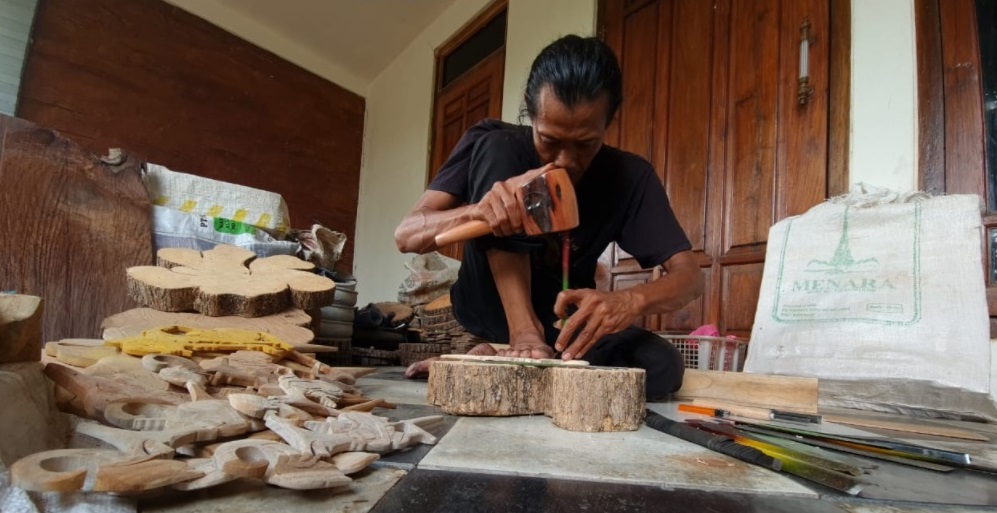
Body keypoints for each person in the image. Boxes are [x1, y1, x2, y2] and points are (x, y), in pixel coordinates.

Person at [394, 35, 703, 399]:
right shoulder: (495, 141)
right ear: (531, 112)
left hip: (558, 331)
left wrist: (630, 301)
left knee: (662, 366)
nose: (566, 162)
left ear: (608, 122)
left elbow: (689, 277)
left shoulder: (629, 177)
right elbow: (407, 235)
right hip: (481, 315)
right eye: (549, 140)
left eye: (585, 144)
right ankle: (519, 338)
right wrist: (479, 211)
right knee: (498, 148)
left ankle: (516, 364)